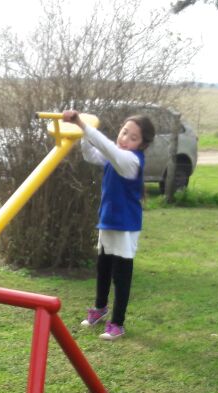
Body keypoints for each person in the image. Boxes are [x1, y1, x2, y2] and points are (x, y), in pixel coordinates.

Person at [63, 109, 156, 340]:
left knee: (121, 275)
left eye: (133, 138)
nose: (125, 139)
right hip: (108, 220)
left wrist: (82, 125)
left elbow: (106, 148)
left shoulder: (130, 161)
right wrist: (83, 133)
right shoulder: (115, 157)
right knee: (103, 267)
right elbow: (90, 154)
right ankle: (100, 308)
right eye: (124, 133)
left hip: (126, 226)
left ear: (142, 145)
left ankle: (118, 323)